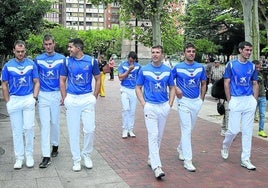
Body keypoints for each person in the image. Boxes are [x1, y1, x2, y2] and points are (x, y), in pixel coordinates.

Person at [60, 38, 101, 172]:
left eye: (70, 47)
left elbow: (98, 79)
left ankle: (86, 154)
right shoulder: (66, 61)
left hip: (86, 98)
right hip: (72, 99)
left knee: (89, 129)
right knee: (73, 131)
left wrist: (94, 97)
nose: (69, 49)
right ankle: (76, 159)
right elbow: (62, 80)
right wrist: (65, 98)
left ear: (78, 48)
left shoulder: (91, 61)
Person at [135, 45, 175, 179]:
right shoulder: (144, 70)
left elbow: (172, 87)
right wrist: (143, 104)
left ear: (162, 54)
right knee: (153, 135)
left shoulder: (168, 70)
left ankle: (151, 158)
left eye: (158, 52)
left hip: (163, 106)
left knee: (159, 136)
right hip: (150, 107)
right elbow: (138, 87)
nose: (155, 54)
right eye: (153, 52)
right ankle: (157, 167)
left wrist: (170, 104)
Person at [1, 40, 40, 169]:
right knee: (17, 131)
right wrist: (8, 102)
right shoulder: (8, 65)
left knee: (29, 128)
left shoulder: (31, 64)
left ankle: (29, 155)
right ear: (13, 51)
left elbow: (36, 82)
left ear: (25, 50)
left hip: (28, 99)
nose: (20, 54)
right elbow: (4, 85)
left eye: (22, 51)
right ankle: (19, 158)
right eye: (18, 51)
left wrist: (34, 98)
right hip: (15, 100)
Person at [221, 41, 258, 170]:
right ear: (241, 50)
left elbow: (255, 83)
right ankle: (225, 146)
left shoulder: (252, 66)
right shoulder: (231, 65)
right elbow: (226, 83)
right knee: (233, 130)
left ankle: (245, 159)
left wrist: (254, 100)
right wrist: (230, 100)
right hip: (236, 100)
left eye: (250, 50)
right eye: (247, 50)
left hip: (249, 100)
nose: (249, 52)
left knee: (248, 131)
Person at [172, 43, 206, 172]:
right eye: (188, 51)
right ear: (184, 53)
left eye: (193, 51)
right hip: (183, 102)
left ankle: (180, 148)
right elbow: (170, 82)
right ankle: (188, 160)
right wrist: (176, 88)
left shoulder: (200, 67)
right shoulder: (178, 67)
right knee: (186, 129)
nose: (191, 53)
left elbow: (203, 83)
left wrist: (201, 99)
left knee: (189, 129)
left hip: (195, 101)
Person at [34, 34, 65, 168]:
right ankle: (46, 156)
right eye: (45, 44)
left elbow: (64, 79)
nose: (48, 46)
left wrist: (64, 96)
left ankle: (55, 145)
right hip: (43, 95)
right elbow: (36, 79)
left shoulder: (62, 59)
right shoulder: (38, 59)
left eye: (50, 44)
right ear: (43, 45)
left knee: (55, 122)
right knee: (45, 124)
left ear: (54, 43)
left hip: (56, 94)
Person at [118, 51, 141, 138]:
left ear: (135, 60)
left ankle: (130, 129)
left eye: (132, 61)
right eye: (129, 60)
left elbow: (140, 79)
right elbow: (120, 77)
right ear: (128, 58)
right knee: (125, 109)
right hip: (125, 89)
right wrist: (128, 70)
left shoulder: (138, 67)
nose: (131, 62)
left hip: (134, 90)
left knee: (132, 111)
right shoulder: (123, 65)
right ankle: (124, 129)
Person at [252, 60, 267, 138]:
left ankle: (261, 130)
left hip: (263, 96)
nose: (258, 69)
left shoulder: (262, 73)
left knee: (262, 114)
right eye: (256, 67)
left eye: (259, 67)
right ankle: (248, 129)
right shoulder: (250, 74)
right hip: (253, 97)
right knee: (251, 114)